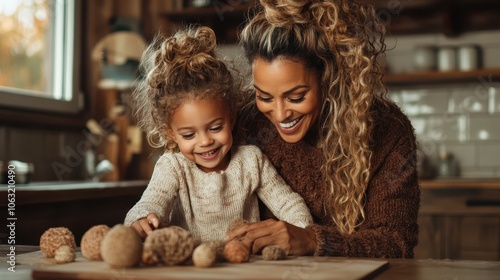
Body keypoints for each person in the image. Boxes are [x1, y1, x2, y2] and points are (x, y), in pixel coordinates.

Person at [227, 0, 420, 258]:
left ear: (328, 78)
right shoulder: (245, 121)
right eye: (264, 97)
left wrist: (312, 240)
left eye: (296, 97)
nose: (281, 114)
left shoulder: (387, 131)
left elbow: (396, 245)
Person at [123, 25, 313, 243]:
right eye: (188, 135)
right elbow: (150, 203)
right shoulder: (173, 167)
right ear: (171, 133)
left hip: (243, 268)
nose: (205, 141)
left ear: (231, 117)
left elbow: (287, 203)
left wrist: (303, 232)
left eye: (215, 128)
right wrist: (143, 219)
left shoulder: (251, 161)